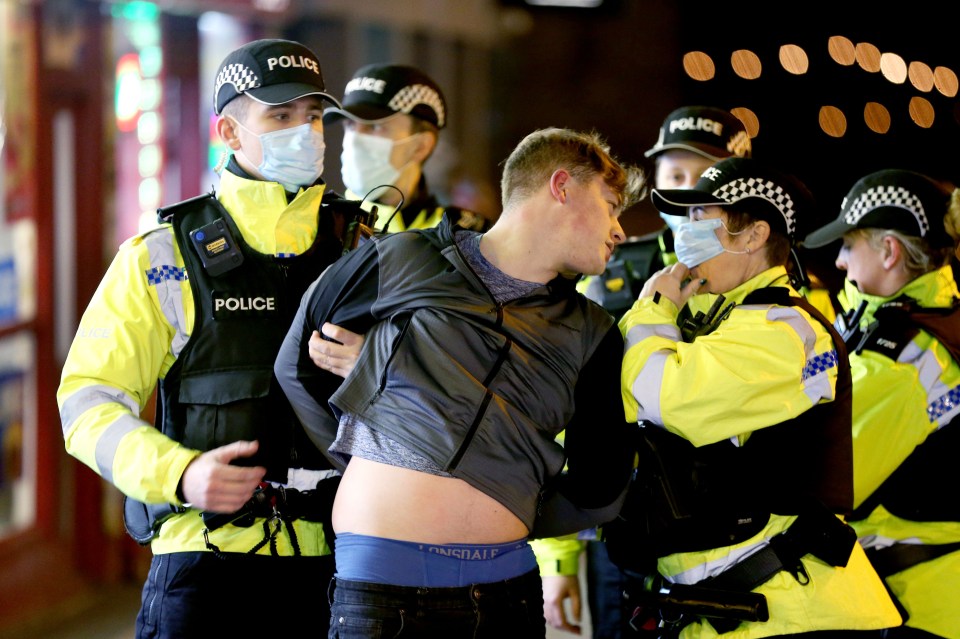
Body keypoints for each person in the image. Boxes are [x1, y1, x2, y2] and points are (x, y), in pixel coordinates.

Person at [274, 127, 645, 638]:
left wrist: (511, 504)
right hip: (381, 587)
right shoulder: (402, 258)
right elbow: (296, 364)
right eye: (610, 205)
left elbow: (601, 484)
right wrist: (368, 454)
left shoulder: (592, 332)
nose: (620, 230)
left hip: (506, 589)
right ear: (561, 187)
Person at [56, 39, 358, 638]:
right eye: (279, 115)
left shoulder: (363, 249)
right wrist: (180, 473)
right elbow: (87, 401)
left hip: (342, 565)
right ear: (229, 131)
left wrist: (374, 369)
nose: (305, 132)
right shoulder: (162, 257)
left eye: (314, 116)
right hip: (204, 565)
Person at [607, 157, 903, 637]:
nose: (686, 230)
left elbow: (661, 400)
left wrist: (651, 308)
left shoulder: (783, 331)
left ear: (754, 236)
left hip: (793, 611)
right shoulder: (716, 315)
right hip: (733, 608)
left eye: (704, 216)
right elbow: (613, 390)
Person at [535, 105, 753, 637]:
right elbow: (560, 410)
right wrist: (559, 560)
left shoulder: (769, 293)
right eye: (675, 176)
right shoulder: (602, 267)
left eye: (705, 176)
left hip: (720, 533)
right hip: (607, 525)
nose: (689, 191)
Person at [803, 169, 960, 639]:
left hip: (920, 607)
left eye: (850, 245)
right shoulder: (930, 323)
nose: (840, 262)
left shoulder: (901, 362)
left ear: (890, 251)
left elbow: (818, 481)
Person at [323, 62, 492, 233]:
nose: (354, 140)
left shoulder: (465, 235)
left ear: (421, 146)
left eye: (374, 126)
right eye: (350, 125)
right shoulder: (322, 229)